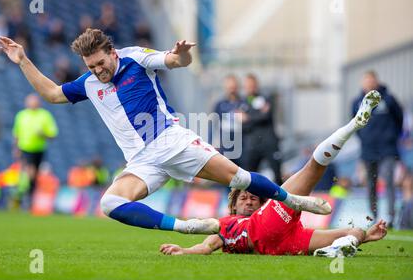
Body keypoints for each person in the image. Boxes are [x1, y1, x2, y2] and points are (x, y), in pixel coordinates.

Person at [0, 29, 331, 236]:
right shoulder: (87, 83)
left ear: (112, 53)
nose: (98, 71)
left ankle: (294, 200)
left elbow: (174, 61)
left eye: (101, 63)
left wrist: (183, 52)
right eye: (91, 67)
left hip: (172, 142)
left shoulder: (135, 59)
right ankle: (185, 226)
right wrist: (22, 60)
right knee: (111, 204)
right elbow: (53, 94)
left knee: (239, 178)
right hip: (140, 162)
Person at [160, 91, 387, 258]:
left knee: (355, 230)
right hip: (267, 228)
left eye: (253, 198)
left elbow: (208, 247)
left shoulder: (259, 215)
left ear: (261, 203)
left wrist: (367, 235)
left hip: (286, 240)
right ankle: (353, 125)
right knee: (312, 168)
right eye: (244, 198)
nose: (249, 201)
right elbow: (206, 247)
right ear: (233, 206)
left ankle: (340, 246)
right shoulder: (224, 224)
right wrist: (185, 251)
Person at [352, 70, 404, 228]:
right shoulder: (357, 102)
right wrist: (365, 139)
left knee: (388, 181)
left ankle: (391, 217)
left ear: (377, 82)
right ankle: (373, 217)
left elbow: (399, 119)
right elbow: (354, 123)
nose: (369, 83)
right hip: (368, 150)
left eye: (371, 80)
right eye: (366, 81)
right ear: (362, 83)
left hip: (387, 149)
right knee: (371, 184)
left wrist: (392, 137)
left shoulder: (388, 99)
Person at [12, 94, 58, 199]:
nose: (32, 104)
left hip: (39, 149)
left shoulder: (45, 115)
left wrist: (42, 134)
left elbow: (53, 135)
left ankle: (29, 193)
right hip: (25, 148)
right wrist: (15, 148)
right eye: (30, 101)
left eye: (34, 101)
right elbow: (16, 133)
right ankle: (23, 192)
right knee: (29, 170)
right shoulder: (21, 115)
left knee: (34, 174)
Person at [240, 74, 283, 184]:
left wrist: (248, 117)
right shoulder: (242, 102)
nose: (251, 88)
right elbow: (242, 123)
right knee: (249, 177)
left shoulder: (265, 98)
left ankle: (281, 200)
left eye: (252, 85)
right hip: (252, 145)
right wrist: (256, 116)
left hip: (269, 143)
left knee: (277, 175)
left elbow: (265, 116)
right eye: (248, 85)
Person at [213, 74, 247, 167]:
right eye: (229, 87)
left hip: (243, 145)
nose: (232, 89)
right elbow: (214, 125)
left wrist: (246, 118)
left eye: (234, 87)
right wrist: (214, 144)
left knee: (244, 174)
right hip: (226, 146)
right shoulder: (220, 105)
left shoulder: (244, 102)